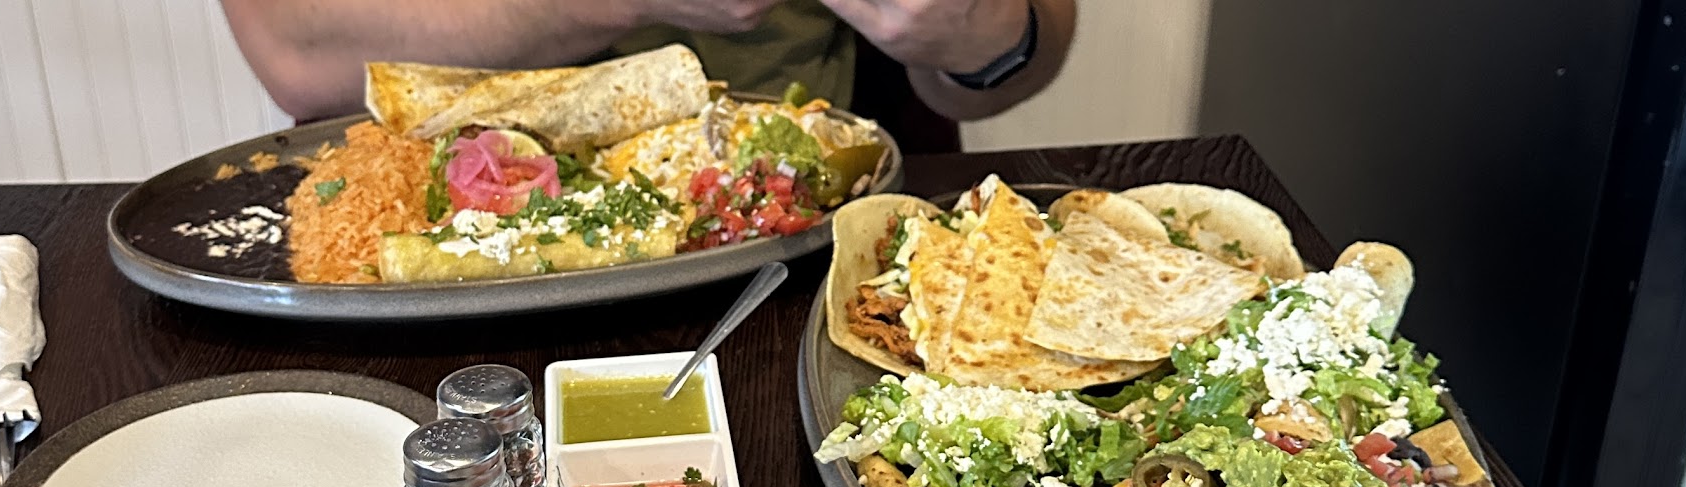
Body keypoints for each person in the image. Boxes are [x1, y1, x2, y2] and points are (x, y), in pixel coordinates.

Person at [222, 0, 1076, 143]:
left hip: (803, 268)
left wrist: (978, 34)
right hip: (420, 273)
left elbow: (1029, 43)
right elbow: (298, 51)